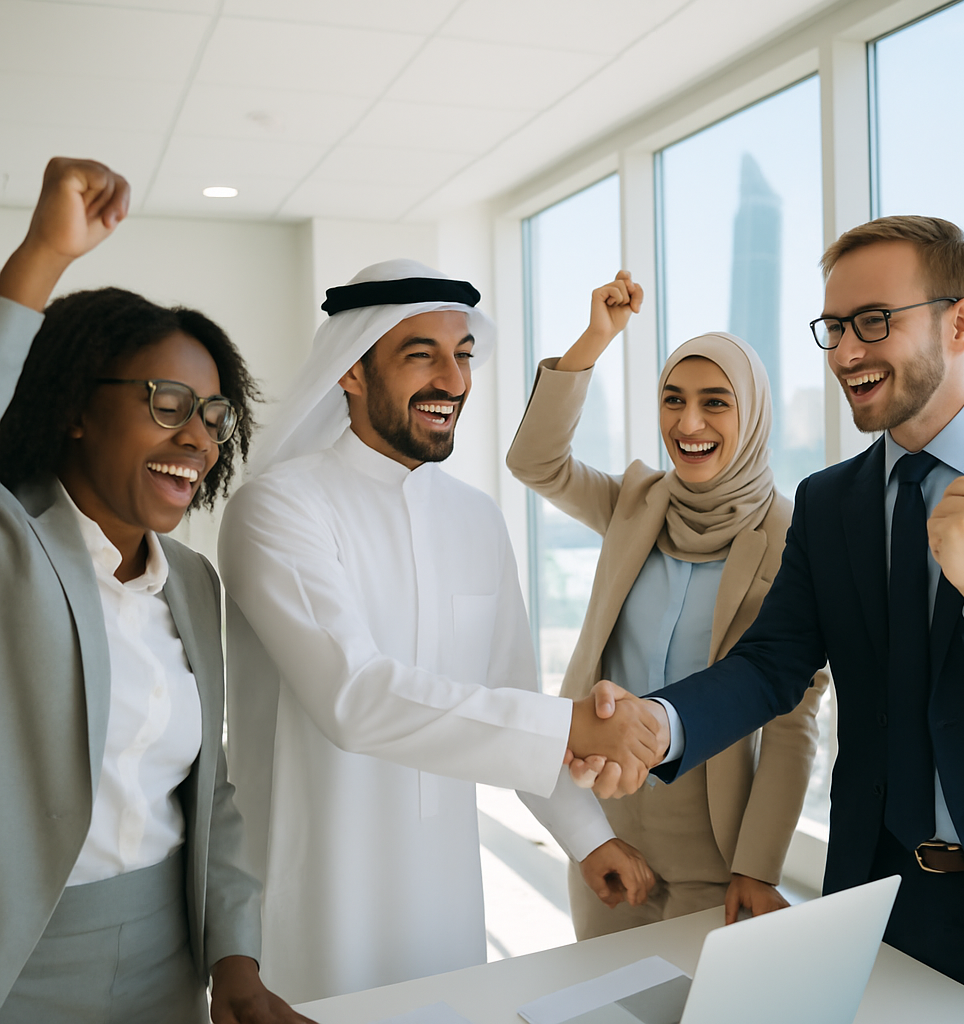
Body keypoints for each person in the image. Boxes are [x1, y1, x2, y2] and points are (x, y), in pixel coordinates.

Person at [582, 218, 964, 1013]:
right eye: (835, 327)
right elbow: (771, 664)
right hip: (873, 900)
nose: (846, 352)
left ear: (961, 324)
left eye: (873, 322)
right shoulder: (828, 502)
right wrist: (658, 722)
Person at [217, 260, 663, 1003]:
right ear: (350, 370)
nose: (453, 380)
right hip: (318, 894)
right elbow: (356, 699)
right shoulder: (278, 508)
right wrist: (576, 725)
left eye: (463, 355)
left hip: (446, 894)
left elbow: (509, 695)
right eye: (421, 355)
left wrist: (589, 837)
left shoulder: (477, 518)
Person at [0, 158, 311, 1024]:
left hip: (166, 963)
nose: (199, 437)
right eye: (168, 403)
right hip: (20, 962)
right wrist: (42, 255)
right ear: (75, 407)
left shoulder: (193, 585)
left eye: (213, 415)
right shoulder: (14, 551)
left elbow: (209, 791)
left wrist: (236, 963)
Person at [507, 272, 825, 938]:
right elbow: (535, 461)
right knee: (600, 993)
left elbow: (792, 720)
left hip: (716, 848)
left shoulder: (792, 537)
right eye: (673, 400)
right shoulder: (636, 501)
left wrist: (759, 865)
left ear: (752, 415)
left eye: (715, 403)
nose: (689, 423)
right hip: (604, 823)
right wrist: (596, 339)